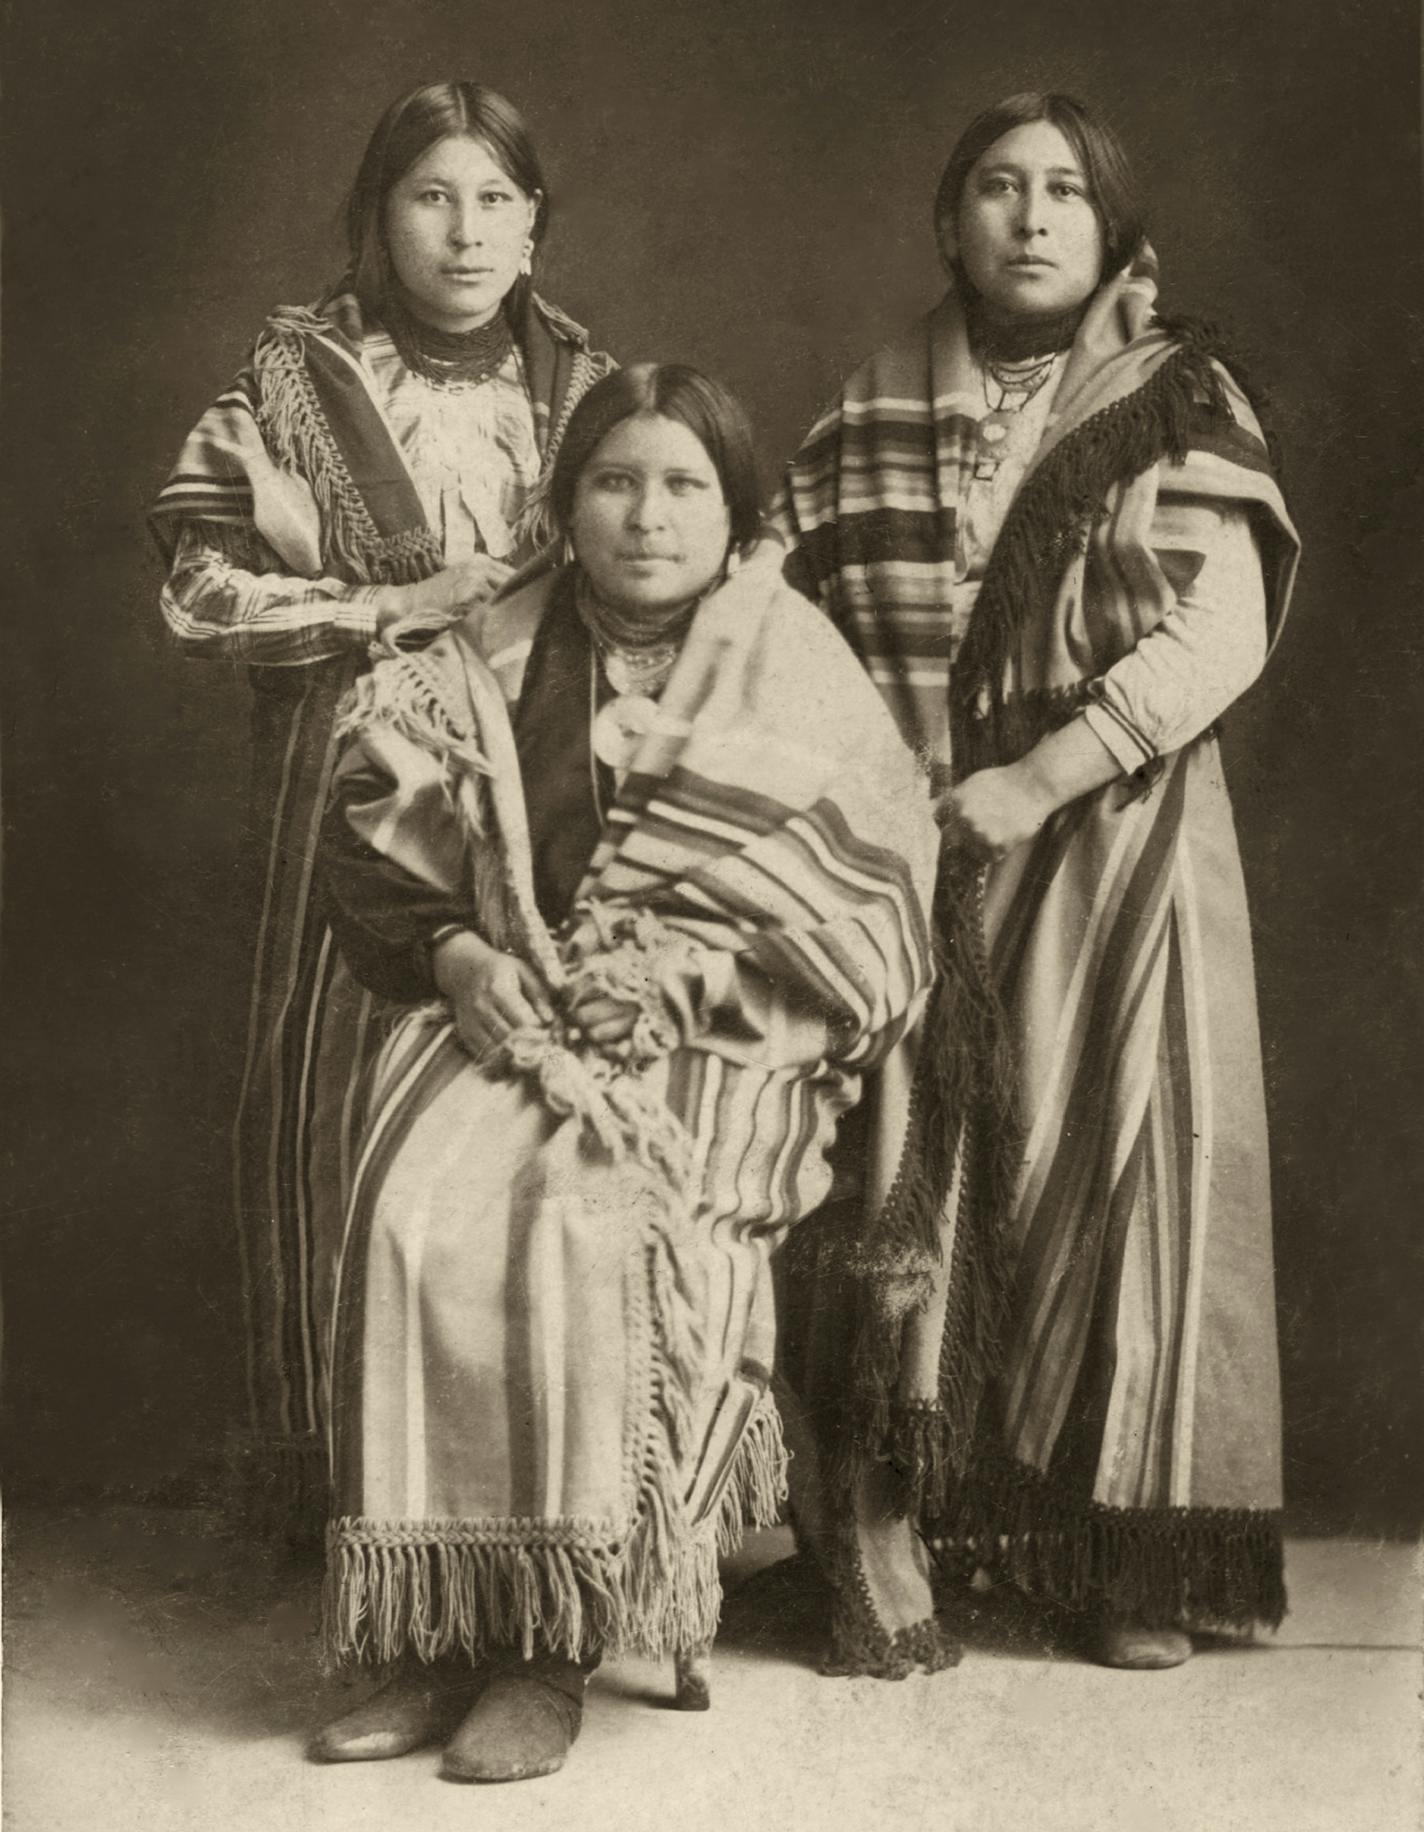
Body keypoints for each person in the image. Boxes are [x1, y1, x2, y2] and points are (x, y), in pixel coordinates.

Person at [309, 364, 941, 1780]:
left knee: (588, 1220)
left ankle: (549, 1644)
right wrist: (464, 961)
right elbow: (372, 844)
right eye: (613, 481)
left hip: (725, 1031)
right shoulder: (485, 648)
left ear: (735, 514)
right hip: (515, 1001)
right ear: (565, 502)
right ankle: (432, 1633)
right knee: (416, 1204)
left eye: (681, 486)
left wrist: (677, 980)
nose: (645, 516)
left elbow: (876, 905)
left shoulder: (791, 659)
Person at [775, 92, 1300, 1672]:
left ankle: (1132, 1559)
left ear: (1112, 227)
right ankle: (945, 1528)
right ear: (950, 223)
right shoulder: (867, 410)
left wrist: (1039, 777)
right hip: (916, 844)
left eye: (1065, 189)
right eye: (997, 187)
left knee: (1132, 1170)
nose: (1030, 216)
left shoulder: (1172, 397)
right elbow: (776, 612)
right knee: (930, 1181)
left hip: (1116, 829)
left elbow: (1220, 630)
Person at [149, 83, 614, 1525]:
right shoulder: (289, 384)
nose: (465, 232)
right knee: (338, 1106)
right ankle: (355, 1489)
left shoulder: (595, 392)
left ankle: (523, 1490)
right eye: (431, 197)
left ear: (536, 224)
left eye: (495, 200)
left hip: (546, 800)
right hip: (341, 786)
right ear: (378, 216)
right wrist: (386, 607)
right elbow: (198, 587)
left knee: (529, 1111)